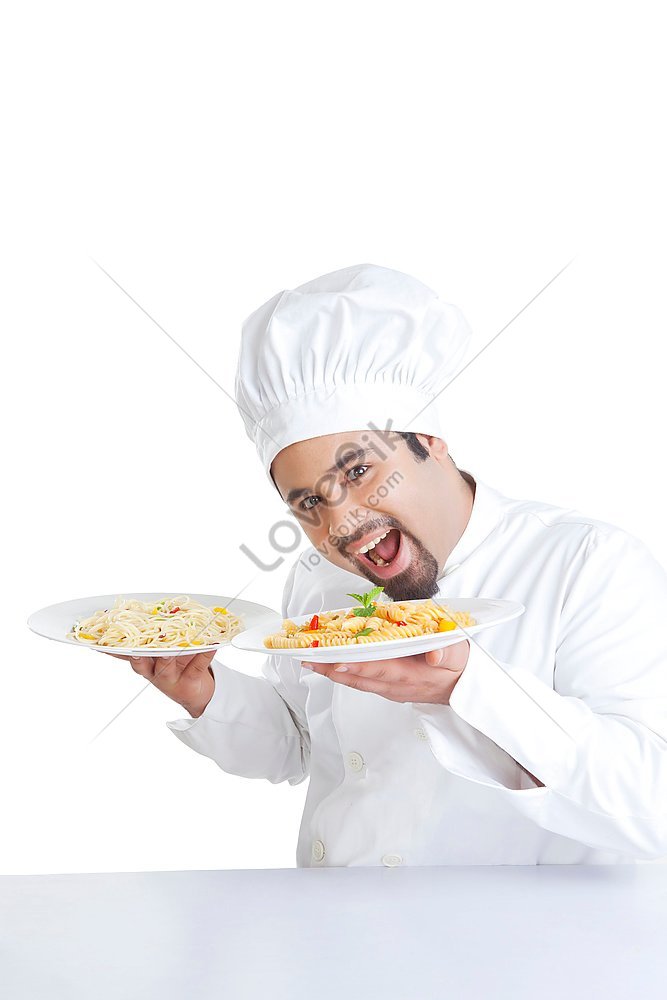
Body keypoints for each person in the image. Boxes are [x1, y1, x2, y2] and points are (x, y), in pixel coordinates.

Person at [114, 263, 667, 866]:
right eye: (308, 502)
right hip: (335, 930)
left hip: (519, 945)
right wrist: (204, 691)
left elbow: (650, 806)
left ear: (429, 441)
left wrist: (468, 690)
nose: (342, 524)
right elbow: (301, 746)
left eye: (358, 471)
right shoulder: (318, 580)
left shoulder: (587, 563)